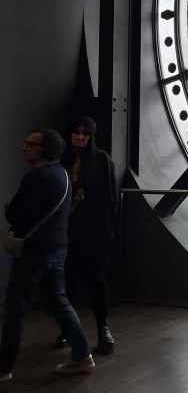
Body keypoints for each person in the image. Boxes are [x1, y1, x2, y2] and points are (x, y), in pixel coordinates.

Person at [0, 129, 94, 380]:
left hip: (33, 251)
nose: (24, 147)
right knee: (59, 301)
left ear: (43, 149)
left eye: (31, 144)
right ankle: (82, 354)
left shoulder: (35, 177)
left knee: (15, 306)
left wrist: (11, 210)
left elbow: (16, 213)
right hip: (56, 247)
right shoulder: (62, 174)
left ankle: (4, 367)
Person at [56, 117, 118, 355]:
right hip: (88, 230)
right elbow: (111, 198)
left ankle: (71, 329)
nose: (80, 137)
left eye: (84, 134)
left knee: (80, 280)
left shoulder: (64, 159)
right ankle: (102, 330)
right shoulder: (101, 160)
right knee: (92, 280)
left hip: (79, 230)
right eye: (77, 133)